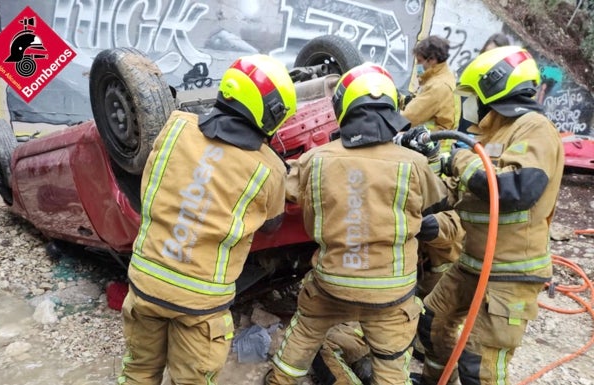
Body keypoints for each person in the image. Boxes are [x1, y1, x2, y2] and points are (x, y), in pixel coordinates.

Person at [117, 54, 297, 385]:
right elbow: (272, 226)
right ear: (271, 112)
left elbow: (151, 186)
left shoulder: (175, 127)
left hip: (145, 282)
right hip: (199, 304)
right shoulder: (268, 169)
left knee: (138, 372)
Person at [265, 62, 448, 385]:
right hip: (391, 293)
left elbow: (285, 189)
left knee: (306, 331)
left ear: (342, 108)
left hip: (332, 281)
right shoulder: (415, 165)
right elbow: (440, 203)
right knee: (391, 363)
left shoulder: (316, 160)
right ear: (391, 107)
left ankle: (280, 380)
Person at [411, 46, 565, 384]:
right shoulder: (490, 133)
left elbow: (515, 190)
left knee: (478, 363)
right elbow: (461, 191)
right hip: (472, 262)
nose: (469, 106)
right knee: (431, 322)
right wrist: (427, 163)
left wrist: (461, 161)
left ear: (494, 87)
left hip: (511, 274)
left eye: (472, 96)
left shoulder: (533, 127)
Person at [400, 35, 461, 152]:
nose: (417, 65)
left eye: (419, 61)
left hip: (430, 148)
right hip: (437, 146)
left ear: (432, 60)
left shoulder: (437, 86)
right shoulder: (444, 77)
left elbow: (407, 119)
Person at [458, 32, 511, 134]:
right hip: (457, 125)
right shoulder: (471, 66)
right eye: (487, 53)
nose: (488, 58)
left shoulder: (505, 81)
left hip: (478, 135)